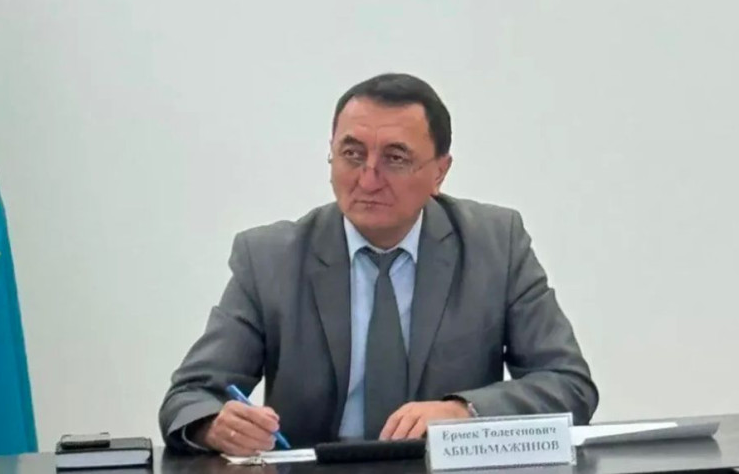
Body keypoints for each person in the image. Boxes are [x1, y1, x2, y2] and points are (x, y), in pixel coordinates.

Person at [159, 73, 597, 455]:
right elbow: (191, 396)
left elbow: (568, 385)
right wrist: (215, 426)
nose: (368, 179)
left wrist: (464, 412)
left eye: (395, 158)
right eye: (352, 154)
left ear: (440, 172)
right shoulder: (270, 258)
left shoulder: (495, 245)